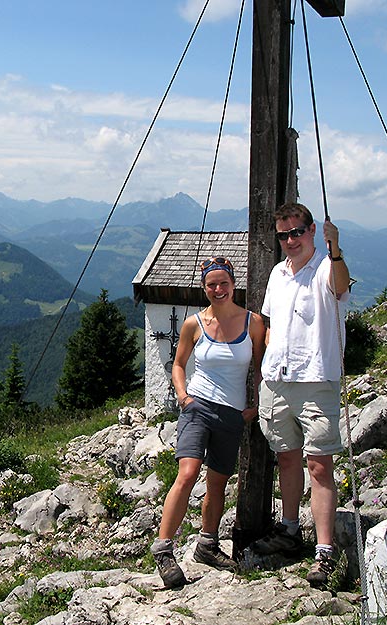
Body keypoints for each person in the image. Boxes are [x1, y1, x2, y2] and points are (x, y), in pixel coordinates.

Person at [250, 202, 351, 588]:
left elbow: (341, 286)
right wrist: (263, 370)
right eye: (284, 234)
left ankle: (324, 552)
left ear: (312, 231)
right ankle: (290, 530)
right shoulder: (277, 273)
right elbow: (271, 323)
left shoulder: (326, 267)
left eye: (297, 231)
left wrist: (336, 248)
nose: (291, 239)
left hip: (317, 380)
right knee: (287, 460)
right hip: (277, 380)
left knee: (320, 466)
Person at [151, 256, 265, 589]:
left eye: (223, 283)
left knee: (217, 482)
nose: (218, 289)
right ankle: (163, 549)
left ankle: (207, 544)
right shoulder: (194, 324)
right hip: (198, 407)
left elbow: (259, 367)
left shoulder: (253, 323)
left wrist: (256, 405)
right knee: (187, 474)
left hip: (232, 413)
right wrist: (184, 396)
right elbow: (178, 363)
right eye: (211, 284)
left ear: (233, 285)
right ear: (204, 287)